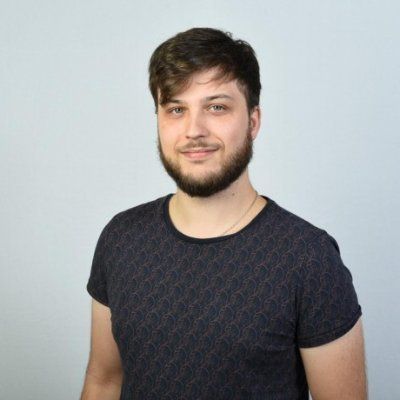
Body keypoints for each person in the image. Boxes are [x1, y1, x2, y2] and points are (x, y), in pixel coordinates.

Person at [81, 27, 367, 400]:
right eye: (176, 109)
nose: (194, 130)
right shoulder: (121, 238)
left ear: (253, 121)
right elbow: (104, 381)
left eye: (216, 107)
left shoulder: (308, 258)